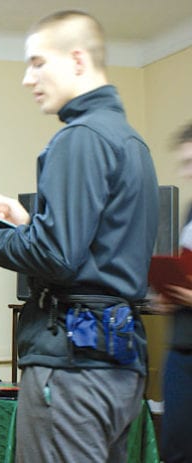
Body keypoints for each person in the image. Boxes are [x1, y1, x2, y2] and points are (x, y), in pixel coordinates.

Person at [0, 10, 159, 463]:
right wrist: (29, 224)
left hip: (71, 362)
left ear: (78, 60)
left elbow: (55, 258)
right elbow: (96, 250)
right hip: (120, 359)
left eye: (38, 63)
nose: (28, 78)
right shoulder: (130, 142)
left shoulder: (78, 139)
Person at [154, 122, 192, 463]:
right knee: (175, 448)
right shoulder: (191, 209)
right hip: (181, 347)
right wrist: (168, 292)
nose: (186, 172)